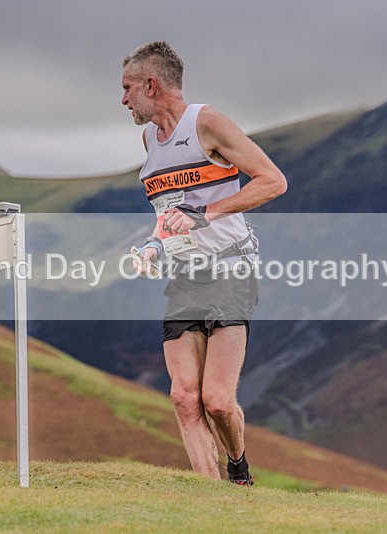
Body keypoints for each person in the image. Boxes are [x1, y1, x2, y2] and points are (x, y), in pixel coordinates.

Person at [121, 41, 286, 484]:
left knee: (216, 400)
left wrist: (206, 215)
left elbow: (273, 181)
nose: (123, 100)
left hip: (231, 269)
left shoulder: (206, 122)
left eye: (128, 88)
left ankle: (238, 467)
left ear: (151, 85)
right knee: (183, 398)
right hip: (184, 277)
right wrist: (153, 249)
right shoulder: (147, 140)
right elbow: (167, 216)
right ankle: (212, 502)